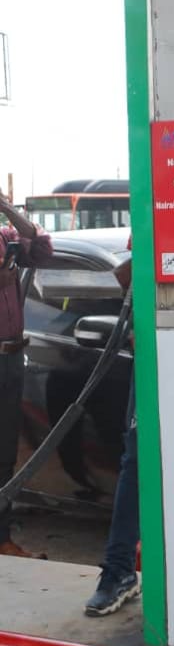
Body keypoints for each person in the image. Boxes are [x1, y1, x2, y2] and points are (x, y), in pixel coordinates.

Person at [84, 237, 140, 616]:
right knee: (136, 463)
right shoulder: (155, 217)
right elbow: (127, 273)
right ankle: (119, 571)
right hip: (156, 357)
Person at [0, 188, 53, 558]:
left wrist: (7, 209)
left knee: (5, 454)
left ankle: (2, 538)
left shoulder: (7, 238)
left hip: (10, 357)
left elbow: (42, 248)